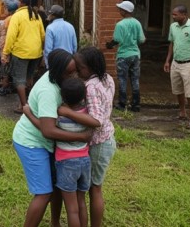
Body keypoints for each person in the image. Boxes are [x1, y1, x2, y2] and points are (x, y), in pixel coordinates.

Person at [14, 49, 93, 227]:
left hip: (49, 143)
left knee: (56, 187)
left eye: (75, 71)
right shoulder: (48, 91)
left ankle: (54, 223)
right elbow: (48, 131)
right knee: (44, 193)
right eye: (69, 73)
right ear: (57, 72)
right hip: (31, 143)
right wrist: (81, 136)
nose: (74, 76)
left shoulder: (61, 81)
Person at [74, 46, 116, 227]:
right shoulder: (107, 78)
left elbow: (97, 120)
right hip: (108, 138)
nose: (76, 71)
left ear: (90, 68)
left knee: (94, 188)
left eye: (80, 68)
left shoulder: (89, 87)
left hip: (99, 143)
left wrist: (67, 112)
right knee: (93, 187)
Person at [51, 77, 97, 227]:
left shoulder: (60, 116)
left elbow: (50, 129)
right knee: (81, 203)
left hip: (66, 163)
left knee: (72, 209)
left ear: (63, 97)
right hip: (85, 161)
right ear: (84, 96)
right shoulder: (86, 115)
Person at [163, 4, 190, 129]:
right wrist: (167, 60)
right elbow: (172, 43)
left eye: (175, 15)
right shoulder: (173, 26)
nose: (173, 16)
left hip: (189, 63)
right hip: (176, 62)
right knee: (177, 89)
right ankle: (182, 112)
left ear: (184, 15)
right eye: (173, 14)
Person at [3, 0, 46, 113]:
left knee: (19, 81)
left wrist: (5, 53)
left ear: (20, 3)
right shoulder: (36, 15)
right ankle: (30, 103)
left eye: (18, 1)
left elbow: (11, 36)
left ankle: (24, 107)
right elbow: (43, 35)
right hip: (36, 52)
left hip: (21, 52)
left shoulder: (17, 16)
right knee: (29, 78)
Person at [106, 0, 146, 111]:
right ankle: (136, 105)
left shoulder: (120, 24)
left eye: (120, 9)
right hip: (135, 55)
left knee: (122, 79)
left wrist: (109, 45)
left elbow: (116, 40)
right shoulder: (137, 23)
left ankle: (122, 104)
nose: (119, 11)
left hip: (123, 55)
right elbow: (142, 39)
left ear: (125, 11)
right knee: (135, 79)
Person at [43, 4, 77, 68]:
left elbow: (48, 49)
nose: (49, 16)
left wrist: (48, 65)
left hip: (56, 62)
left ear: (53, 16)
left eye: (50, 14)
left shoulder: (50, 28)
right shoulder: (70, 26)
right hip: (69, 60)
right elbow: (74, 46)